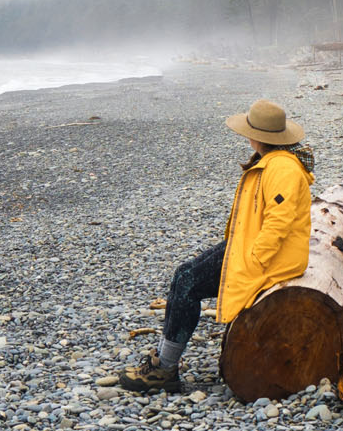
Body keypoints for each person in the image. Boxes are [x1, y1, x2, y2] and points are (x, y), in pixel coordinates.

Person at [117, 98, 315, 395]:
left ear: (257, 135)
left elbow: (279, 222)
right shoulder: (275, 161)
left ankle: (164, 369)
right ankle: (162, 361)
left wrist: (254, 259)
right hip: (252, 246)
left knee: (186, 283)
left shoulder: (282, 168)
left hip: (272, 258)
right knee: (184, 274)